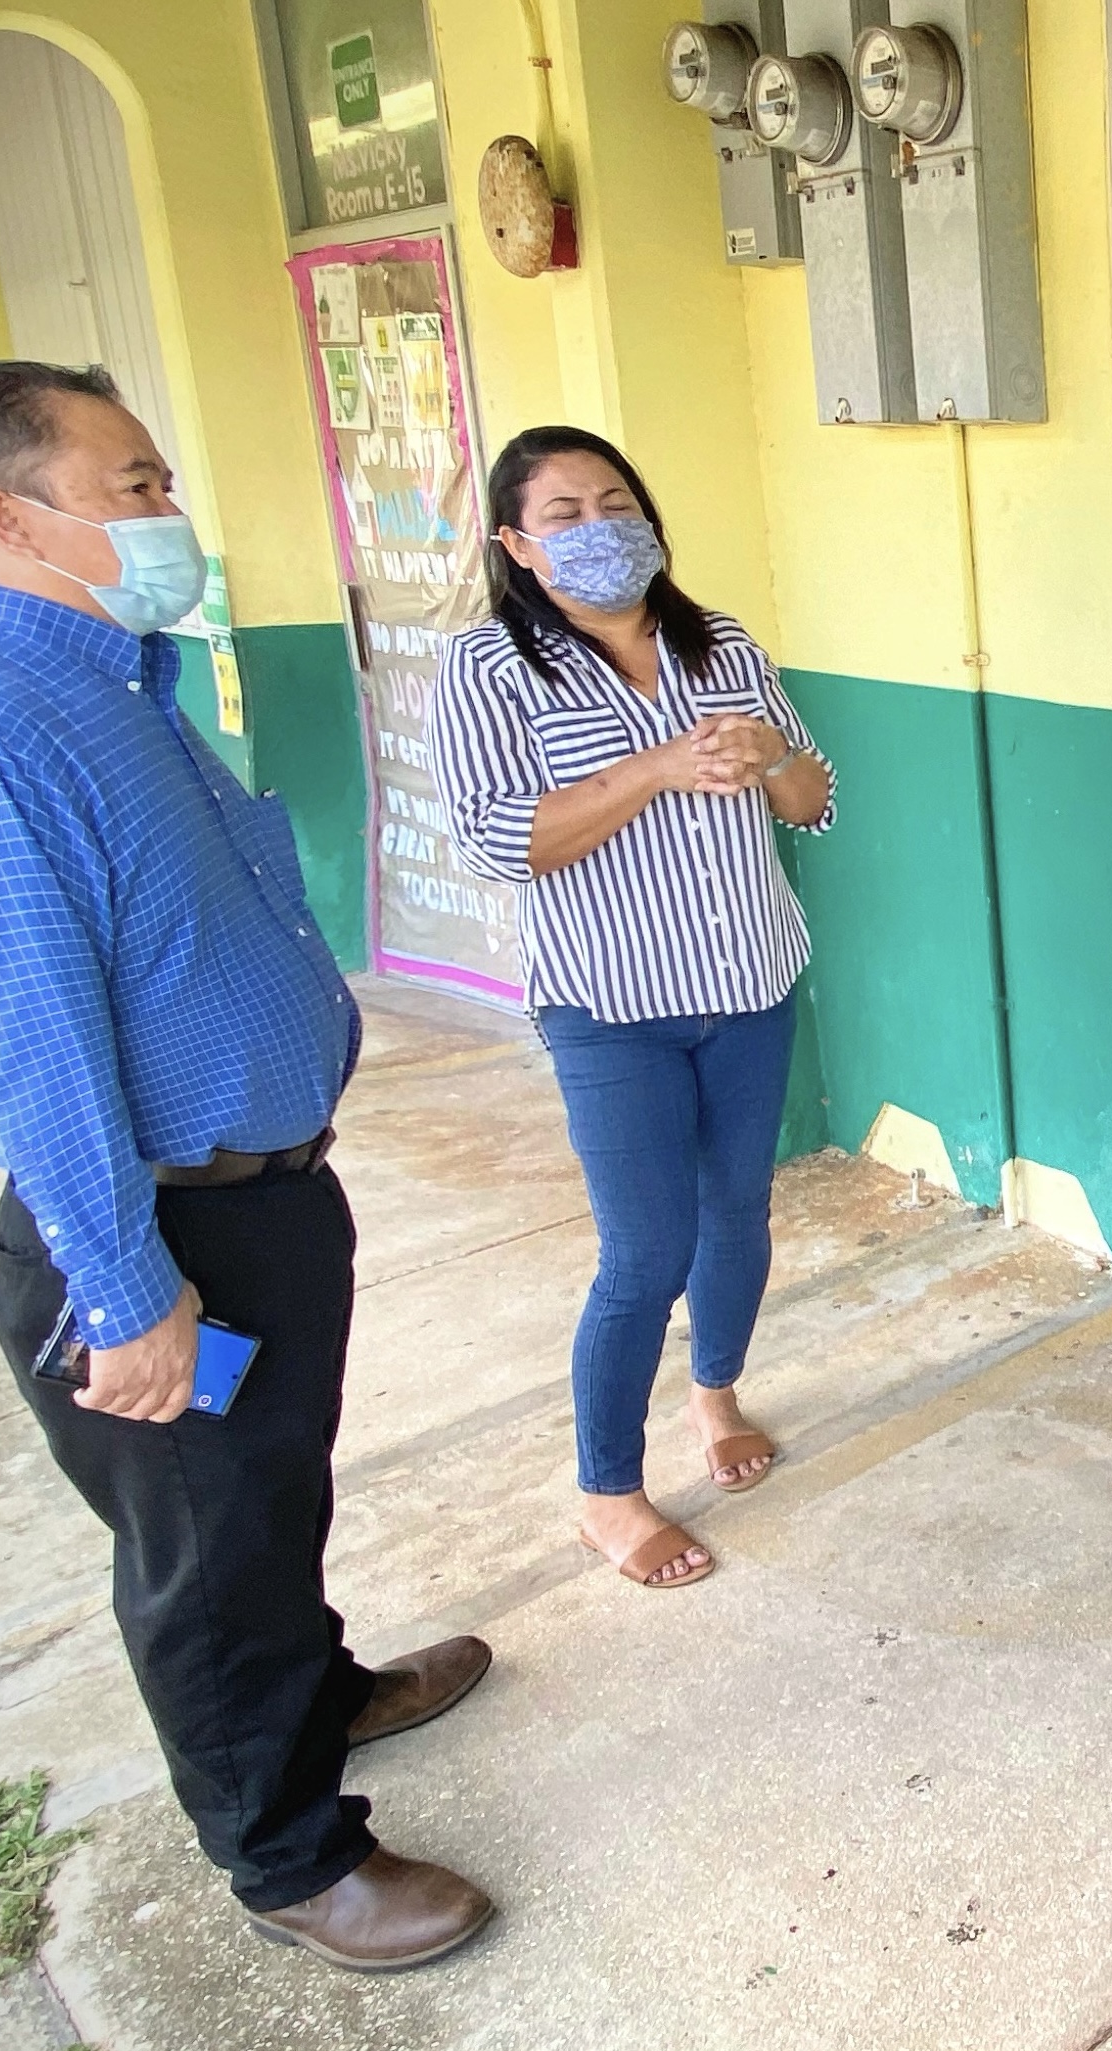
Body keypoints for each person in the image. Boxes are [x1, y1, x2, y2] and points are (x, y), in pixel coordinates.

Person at [0, 362, 495, 1971]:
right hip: (159, 1231)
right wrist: (129, 1290)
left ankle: (326, 1696)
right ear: (9, 516)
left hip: (265, 1196)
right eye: (134, 484)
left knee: (269, 1502)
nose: (171, 515)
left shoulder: (113, 683)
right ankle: (289, 1861)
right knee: (204, 1560)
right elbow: (27, 1047)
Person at [433, 427, 832, 1591]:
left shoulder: (725, 647)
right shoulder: (490, 668)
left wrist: (768, 755)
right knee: (646, 1249)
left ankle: (716, 1397)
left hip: (751, 983)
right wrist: (655, 768)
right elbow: (505, 840)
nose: (599, 526)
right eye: (562, 514)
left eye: (615, 501)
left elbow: (814, 799)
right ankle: (607, 1492)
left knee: (739, 1216)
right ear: (515, 543)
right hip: (611, 1007)